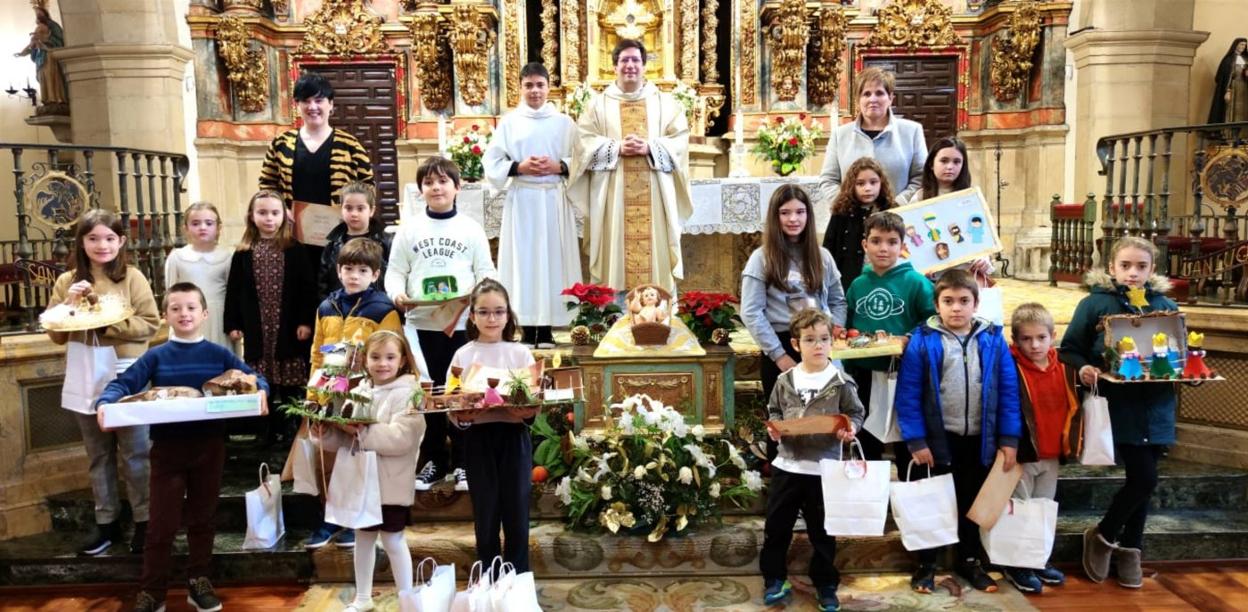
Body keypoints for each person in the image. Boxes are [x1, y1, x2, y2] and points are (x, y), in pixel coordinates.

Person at [95, 282, 271, 612]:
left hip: (209, 448)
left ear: (204, 314)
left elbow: (253, 378)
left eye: (191, 307)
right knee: (161, 525)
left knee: (203, 520)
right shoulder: (156, 355)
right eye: (175, 308)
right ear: (165, 315)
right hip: (167, 451)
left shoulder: (219, 354)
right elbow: (123, 384)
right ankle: (152, 591)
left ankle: (198, 582)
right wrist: (105, 403)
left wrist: (261, 391)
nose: (184, 313)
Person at [1060, 236, 1180, 590]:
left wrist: (1186, 372)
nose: (1132, 273)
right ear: (1111, 268)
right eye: (1125, 266)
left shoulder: (1165, 304)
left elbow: (1177, 354)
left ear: (1152, 269)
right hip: (1119, 404)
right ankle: (1104, 535)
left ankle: (1130, 550)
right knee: (1144, 479)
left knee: (1143, 481)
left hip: (1156, 405)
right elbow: (1070, 349)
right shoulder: (1094, 304)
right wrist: (1085, 369)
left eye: (1141, 266)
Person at [894, 268, 1021, 594]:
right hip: (939, 440)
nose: (956, 308)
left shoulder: (992, 340)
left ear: (976, 303)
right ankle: (926, 563)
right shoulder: (922, 341)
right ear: (937, 304)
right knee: (932, 504)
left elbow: (1008, 391)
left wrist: (1008, 438)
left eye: (964, 301)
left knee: (970, 503)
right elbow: (908, 395)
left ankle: (969, 561)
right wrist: (916, 440)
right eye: (948, 301)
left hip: (980, 439)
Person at [46, 210, 161, 557]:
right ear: (81, 242)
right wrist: (69, 306)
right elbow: (54, 333)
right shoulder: (67, 281)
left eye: (109, 238)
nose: (102, 245)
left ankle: (145, 521)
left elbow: (150, 323)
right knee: (98, 455)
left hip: (126, 370)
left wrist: (108, 326)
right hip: (84, 372)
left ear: (121, 242)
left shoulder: (133, 277)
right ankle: (106, 523)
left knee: (137, 453)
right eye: (93, 238)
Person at [386, 157, 496, 493]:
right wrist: (398, 294)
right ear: (421, 190)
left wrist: (476, 300)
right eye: (429, 183)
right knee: (431, 392)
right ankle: (435, 458)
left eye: (443, 181)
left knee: (462, 392)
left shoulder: (471, 229)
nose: (436, 187)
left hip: (462, 324)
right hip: (422, 324)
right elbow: (394, 273)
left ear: (457, 187)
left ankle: (464, 461)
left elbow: (487, 272)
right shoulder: (409, 230)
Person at [301, 237, 404, 549]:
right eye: (348, 269)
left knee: (360, 460)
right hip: (328, 394)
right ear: (338, 270)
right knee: (329, 461)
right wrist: (312, 396)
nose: (354, 275)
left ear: (375, 275)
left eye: (362, 270)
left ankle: (356, 518)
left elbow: (392, 354)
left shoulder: (383, 309)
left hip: (364, 396)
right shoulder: (325, 306)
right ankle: (329, 518)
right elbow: (317, 356)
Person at [310, 330, 424, 612]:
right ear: (365, 360)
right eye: (375, 357)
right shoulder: (358, 391)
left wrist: (361, 429)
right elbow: (345, 439)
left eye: (389, 357)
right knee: (363, 538)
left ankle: (407, 599)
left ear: (403, 361)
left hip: (390, 481)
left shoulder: (411, 394)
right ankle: (363, 597)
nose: (382, 363)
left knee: (393, 539)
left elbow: (402, 439)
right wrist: (324, 431)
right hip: (362, 480)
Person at [569, 38, 692, 294]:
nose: (630, 65)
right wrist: (616, 148)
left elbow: (680, 141)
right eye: (624, 60)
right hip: (614, 197)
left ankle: (658, 309)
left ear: (645, 65)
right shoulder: (597, 105)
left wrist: (650, 147)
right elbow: (583, 143)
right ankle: (614, 311)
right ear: (614, 66)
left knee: (655, 251)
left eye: (636, 60)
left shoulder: (665, 104)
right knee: (614, 251)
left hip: (654, 194)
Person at [761, 308, 863, 612]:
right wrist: (775, 429)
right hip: (788, 466)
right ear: (796, 344)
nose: (818, 345)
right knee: (777, 525)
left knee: (822, 529)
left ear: (832, 341)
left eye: (823, 339)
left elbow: (855, 413)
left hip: (824, 467)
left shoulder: (841, 381)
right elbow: (775, 411)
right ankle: (774, 579)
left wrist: (850, 428)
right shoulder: (785, 379)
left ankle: (825, 583)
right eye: (809, 340)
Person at [482, 62, 581, 348]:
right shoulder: (510, 122)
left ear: (549, 88)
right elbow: (492, 162)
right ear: (521, 88)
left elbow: (583, 160)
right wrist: (519, 166)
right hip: (523, 199)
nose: (535, 91)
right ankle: (526, 327)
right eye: (529, 85)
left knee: (553, 260)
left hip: (553, 199)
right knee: (524, 262)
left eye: (540, 85)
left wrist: (559, 164)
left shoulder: (564, 123)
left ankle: (548, 329)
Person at [448, 279, 537, 572]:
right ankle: (488, 578)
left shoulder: (520, 353)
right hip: (479, 438)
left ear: (508, 315)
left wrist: (522, 412)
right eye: (484, 312)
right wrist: (463, 416)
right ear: (472, 316)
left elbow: (533, 402)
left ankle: (518, 581)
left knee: (516, 512)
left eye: (499, 312)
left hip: (513, 437)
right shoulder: (463, 354)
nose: (492, 318)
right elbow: (452, 403)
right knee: (485, 513)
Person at [741, 184, 848, 408]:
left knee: (824, 417)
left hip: (819, 343)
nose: (793, 219)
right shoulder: (761, 259)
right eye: (785, 213)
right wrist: (779, 355)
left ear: (808, 215)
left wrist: (833, 332)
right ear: (774, 217)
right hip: (781, 343)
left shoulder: (823, 256)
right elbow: (751, 311)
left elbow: (838, 300)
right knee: (785, 422)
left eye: (800, 212)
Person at [224, 190, 317, 445]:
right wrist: (232, 323)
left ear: (284, 216)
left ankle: (292, 427)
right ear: (252, 217)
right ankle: (264, 428)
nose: (269, 218)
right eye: (262, 213)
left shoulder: (295, 250)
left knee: (290, 380)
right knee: (260, 379)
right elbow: (233, 290)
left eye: (275, 213)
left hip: (287, 325)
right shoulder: (243, 252)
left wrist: (305, 322)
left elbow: (306, 290)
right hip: (259, 325)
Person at [843, 211, 936, 460]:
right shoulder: (858, 285)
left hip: (903, 371)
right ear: (865, 244)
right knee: (865, 439)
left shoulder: (916, 282)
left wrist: (909, 337)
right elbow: (849, 323)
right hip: (864, 371)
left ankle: (909, 494)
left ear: (903, 246)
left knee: (907, 438)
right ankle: (872, 496)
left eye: (892, 242)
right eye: (876, 241)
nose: (883, 248)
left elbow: (933, 319)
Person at [1001, 302, 1079, 595]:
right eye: (1026, 339)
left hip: (1052, 454)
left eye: (1041, 338)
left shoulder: (1063, 367)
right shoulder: (1011, 366)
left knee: (1043, 510)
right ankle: (1018, 565)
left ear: (1053, 336)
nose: (1034, 345)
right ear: (1015, 341)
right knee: (1020, 511)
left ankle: (1037, 559)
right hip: (1023, 454)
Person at [258, 71, 374, 261]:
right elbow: (267, 184)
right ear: (298, 105)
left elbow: (368, 186)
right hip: (292, 234)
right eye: (306, 101)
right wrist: (281, 209)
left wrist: (351, 213)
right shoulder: (280, 144)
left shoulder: (351, 145)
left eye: (319, 100)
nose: (312, 107)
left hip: (339, 236)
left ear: (331, 104)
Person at [816, 67, 926, 209]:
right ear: (858, 99)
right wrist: (847, 206)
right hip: (851, 219)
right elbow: (828, 180)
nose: (872, 99)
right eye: (866, 94)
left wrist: (897, 204)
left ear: (890, 98)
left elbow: (921, 177)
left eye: (879, 93)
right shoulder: (840, 135)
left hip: (898, 217)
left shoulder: (912, 131)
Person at [164, 202, 234, 350]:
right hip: (187, 316)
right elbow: (171, 293)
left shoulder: (227, 256)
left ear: (218, 228)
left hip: (218, 318)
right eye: (196, 223)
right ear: (186, 228)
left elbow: (233, 293)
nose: (203, 227)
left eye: (209, 223)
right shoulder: (177, 257)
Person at [823, 157, 896, 292]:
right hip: (848, 279)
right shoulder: (841, 212)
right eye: (860, 183)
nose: (868, 188)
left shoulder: (890, 210)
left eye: (873, 182)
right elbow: (829, 247)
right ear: (852, 185)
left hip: (884, 279)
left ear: (882, 183)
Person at [318, 182, 393, 301]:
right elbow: (323, 286)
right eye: (348, 208)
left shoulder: (387, 242)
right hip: (341, 311)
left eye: (360, 208)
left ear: (371, 210)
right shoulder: (332, 246)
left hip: (378, 309)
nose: (354, 214)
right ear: (341, 209)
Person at [1208, 38, 1248, 124]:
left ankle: (1243, 133)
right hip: (1232, 88)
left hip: (1244, 89)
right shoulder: (1228, 59)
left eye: (1245, 45)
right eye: (1241, 44)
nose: (1243, 47)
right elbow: (1223, 76)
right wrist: (1227, 90)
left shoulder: (1246, 59)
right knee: (1230, 109)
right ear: (1236, 45)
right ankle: (1228, 133)